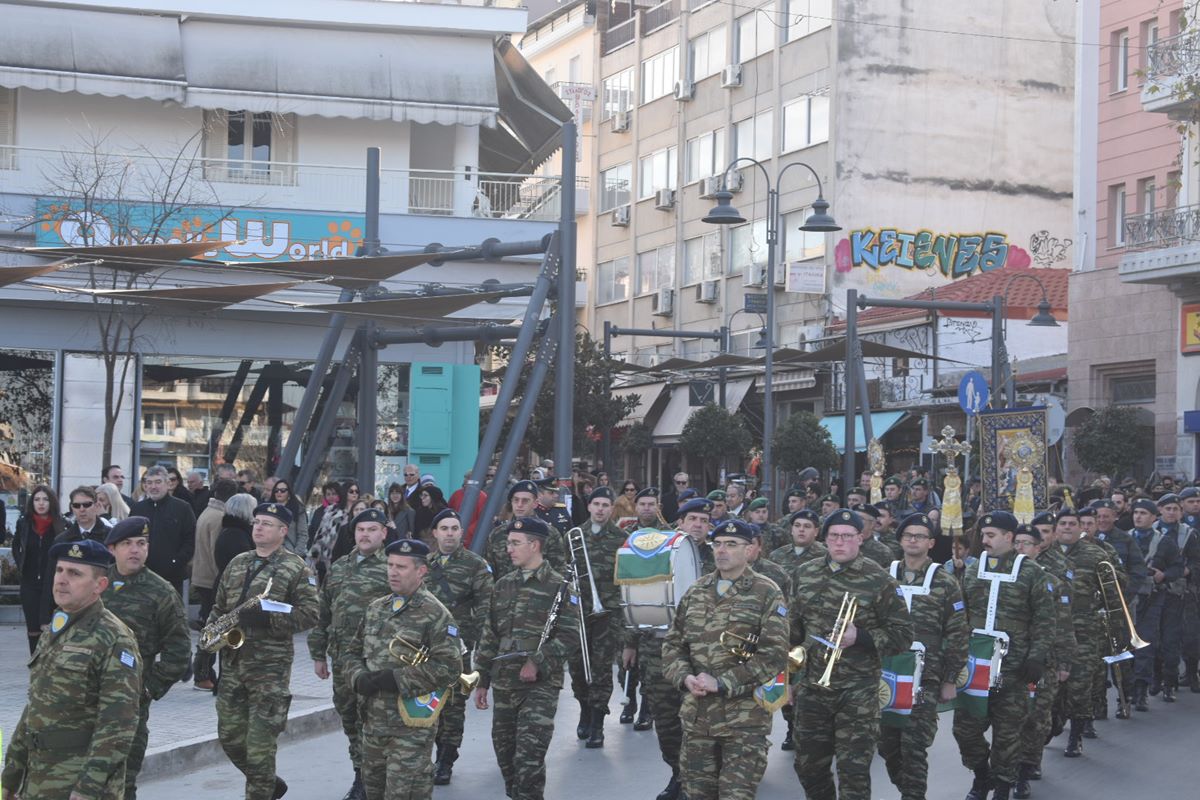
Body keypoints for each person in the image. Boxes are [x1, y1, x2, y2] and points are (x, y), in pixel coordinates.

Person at [0, 539, 141, 800]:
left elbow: (118, 724)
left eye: (74, 573)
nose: (62, 579)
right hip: (38, 780)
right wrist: (11, 776)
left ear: (100, 585)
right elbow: (35, 708)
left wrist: (88, 787)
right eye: (59, 570)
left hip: (77, 782)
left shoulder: (114, 638)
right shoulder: (57, 630)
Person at [789, 509, 913, 800]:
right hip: (812, 688)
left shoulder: (878, 579)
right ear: (825, 538)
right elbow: (792, 631)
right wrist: (788, 677)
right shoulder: (804, 574)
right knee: (808, 767)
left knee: (853, 772)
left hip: (857, 691)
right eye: (834, 536)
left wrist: (862, 637)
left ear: (860, 538)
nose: (840, 543)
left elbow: (904, 635)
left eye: (847, 536)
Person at [660, 519, 788, 800]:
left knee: (735, 795)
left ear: (749, 549)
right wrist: (685, 677)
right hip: (698, 718)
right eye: (717, 544)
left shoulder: (766, 592)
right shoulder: (697, 591)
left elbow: (774, 655)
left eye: (731, 544)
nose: (722, 551)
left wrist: (722, 683)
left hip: (744, 721)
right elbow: (673, 643)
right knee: (698, 794)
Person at [210, 501, 319, 800]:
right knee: (230, 739)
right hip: (232, 665)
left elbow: (311, 614)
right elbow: (219, 608)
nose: (258, 527)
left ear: (283, 531)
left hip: (269, 672)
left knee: (259, 748)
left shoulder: (296, 568)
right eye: (257, 521)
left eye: (267, 523)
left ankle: (259, 790)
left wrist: (268, 618)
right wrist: (206, 649)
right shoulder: (238, 563)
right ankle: (269, 783)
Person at [342, 537, 460, 800]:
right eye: (391, 565)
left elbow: (449, 667)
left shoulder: (435, 613)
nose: (393, 572)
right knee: (374, 792)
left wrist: (395, 679)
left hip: (410, 727)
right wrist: (357, 677)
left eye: (401, 567)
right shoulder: (376, 608)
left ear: (421, 571)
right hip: (372, 722)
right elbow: (350, 652)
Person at [474, 517, 580, 800]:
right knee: (506, 756)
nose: (509, 549)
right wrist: (481, 678)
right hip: (505, 679)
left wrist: (538, 661)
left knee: (529, 759)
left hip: (540, 685)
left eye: (515, 543)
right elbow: (490, 634)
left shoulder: (559, 585)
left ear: (534, 545)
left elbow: (570, 636)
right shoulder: (503, 585)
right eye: (508, 542)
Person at [953, 511, 1055, 800]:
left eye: (990, 535)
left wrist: (1036, 658)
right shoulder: (973, 569)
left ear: (1009, 538)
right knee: (965, 730)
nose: (983, 541)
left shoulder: (1032, 572)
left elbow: (1045, 620)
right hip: (975, 666)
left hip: (1015, 667)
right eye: (982, 535)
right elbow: (963, 615)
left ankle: (1001, 786)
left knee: (1008, 734)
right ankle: (981, 774)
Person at [623, 496, 712, 799]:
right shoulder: (658, 552)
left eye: (703, 520)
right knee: (666, 721)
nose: (698, 525)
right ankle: (678, 773)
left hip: (702, 655)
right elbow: (639, 597)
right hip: (658, 650)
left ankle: (698, 782)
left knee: (699, 723)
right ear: (680, 524)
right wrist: (630, 643)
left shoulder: (720, 556)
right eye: (693, 520)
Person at [877, 513, 969, 800]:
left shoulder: (945, 581)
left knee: (914, 746)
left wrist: (950, 679)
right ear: (900, 540)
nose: (913, 540)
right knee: (887, 745)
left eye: (919, 536)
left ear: (931, 543)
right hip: (885, 674)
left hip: (924, 678)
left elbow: (957, 633)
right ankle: (908, 790)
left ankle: (913, 796)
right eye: (908, 535)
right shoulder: (883, 575)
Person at [102, 516, 191, 799]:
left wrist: (150, 687)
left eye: (141, 543)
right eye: (127, 543)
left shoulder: (161, 591)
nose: (135, 550)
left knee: (122, 780)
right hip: (87, 698)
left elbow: (179, 649)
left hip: (130, 703)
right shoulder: (95, 584)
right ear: (112, 549)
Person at [308, 507, 391, 800]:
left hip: (376, 663)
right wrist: (319, 654)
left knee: (374, 723)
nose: (365, 535)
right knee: (351, 721)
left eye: (371, 529)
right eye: (360, 530)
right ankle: (361, 775)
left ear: (384, 533)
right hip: (343, 661)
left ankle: (374, 781)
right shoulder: (341, 566)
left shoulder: (393, 567)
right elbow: (324, 613)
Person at [424, 509, 494, 784]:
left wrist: (474, 639)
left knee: (453, 706)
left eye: (454, 528)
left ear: (461, 532)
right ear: (435, 533)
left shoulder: (475, 565)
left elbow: (487, 606)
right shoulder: (423, 564)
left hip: (458, 648)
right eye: (444, 528)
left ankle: (445, 759)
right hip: (424, 649)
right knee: (427, 704)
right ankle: (424, 756)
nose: (449, 533)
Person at [1012, 521, 1074, 797]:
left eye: (1027, 543)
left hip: (1040, 664)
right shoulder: (1003, 577)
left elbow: (1062, 625)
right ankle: (1007, 766)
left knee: (1035, 715)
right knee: (1009, 717)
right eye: (1017, 543)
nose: (1020, 548)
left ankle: (1026, 766)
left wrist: (1063, 663)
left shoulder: (1051, 582)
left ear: (1038, 549)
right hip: (1010, 661)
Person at [567, 486, 628, 749]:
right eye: (596, 504)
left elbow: (627, 579)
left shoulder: (621, 538)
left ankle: (597, 723)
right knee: (578, 667)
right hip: (579, 612)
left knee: (601, 668)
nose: (601, 509)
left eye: (605, 505)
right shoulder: (573, 535)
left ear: (611, 508)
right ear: (589, 507)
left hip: (609, 612)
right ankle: (583, 708)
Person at [1056, 506, 1121, 751]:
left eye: (1073, 524)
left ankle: (1076, 734)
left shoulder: (1096, 554)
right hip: (1053, 631)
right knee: (1050, 686)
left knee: (1080, 683)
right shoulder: (1045, 554)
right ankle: (1051, 726)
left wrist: (1103, 608)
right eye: (1063, 523)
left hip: (1084, 629)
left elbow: (1115, 587)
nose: (1069, 527)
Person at [1129, 497, 1185, 710]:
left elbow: (1177, 568)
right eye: (1136, 513)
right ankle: (1127, 691)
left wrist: (1164, 575)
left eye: (1143, 513)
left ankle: (1142, 690)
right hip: (1128, 598)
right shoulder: (1126, 539)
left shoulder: (1164, 542)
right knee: (1126, 646)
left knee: (1145, 642)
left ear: (1153, 517)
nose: (1138, 517)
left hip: (1152, 598)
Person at [40, 486, 113, 630]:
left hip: (103, 610)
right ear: (71, 508)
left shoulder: (111, 537)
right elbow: (50, 579)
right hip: (69, 611)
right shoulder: (62, 540)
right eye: (77, 505)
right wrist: (45, 617)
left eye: (87, 504)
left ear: (97, 505)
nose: (82, 509)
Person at [192, 477, 238, 691]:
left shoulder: (206, 512)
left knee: (209, 627)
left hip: (201, 575)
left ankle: (202, 672)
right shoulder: (219, 517)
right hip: (211, 579)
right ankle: (203, 673)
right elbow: (215, 554)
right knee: (214, 630)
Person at [11, 484, 65, 653]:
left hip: (54, 583)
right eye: (36, 499)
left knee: (52, 628)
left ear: (52, 502)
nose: (41, 503)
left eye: (45, 499)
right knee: (33, 629)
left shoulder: (61, 524)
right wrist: (21, 565)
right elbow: (16, 547)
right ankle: (36, 665)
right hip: (30, 583)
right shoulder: (24, 523)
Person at [130, 465, 197, 596]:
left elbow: (190, 540)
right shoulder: (137, 509)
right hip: (142, 576)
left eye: (158, 482)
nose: (153, 487)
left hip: (172, 578)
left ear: (168, 484)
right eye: (149, 483)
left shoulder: (182, 508)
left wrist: (175, 562)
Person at [485, 481, 566, 580]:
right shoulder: (497, 533)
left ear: (535, 503)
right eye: (516, 500)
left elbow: (559, 570)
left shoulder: (549, 533)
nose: (519, 505)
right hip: (503, 592)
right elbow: (488, 571)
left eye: (525, 501)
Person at [267, 479, 309, 556]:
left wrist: (296, 554)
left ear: (289, 493)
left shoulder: (298, 509)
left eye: (283, 490)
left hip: (289, 553)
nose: (279, 492)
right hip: (268, 550)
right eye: (276, 490)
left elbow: (303, 534)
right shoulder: (267, 507)